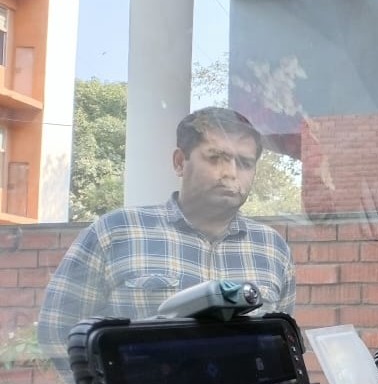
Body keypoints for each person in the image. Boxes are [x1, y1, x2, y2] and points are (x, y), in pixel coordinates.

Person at [38, 107, 296, 361]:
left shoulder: (272, 249)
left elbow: (282, 346)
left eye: (245, 163)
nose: (230, 172)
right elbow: (57, 331)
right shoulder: (116, 232)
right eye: (215, 157)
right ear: (179, 162)